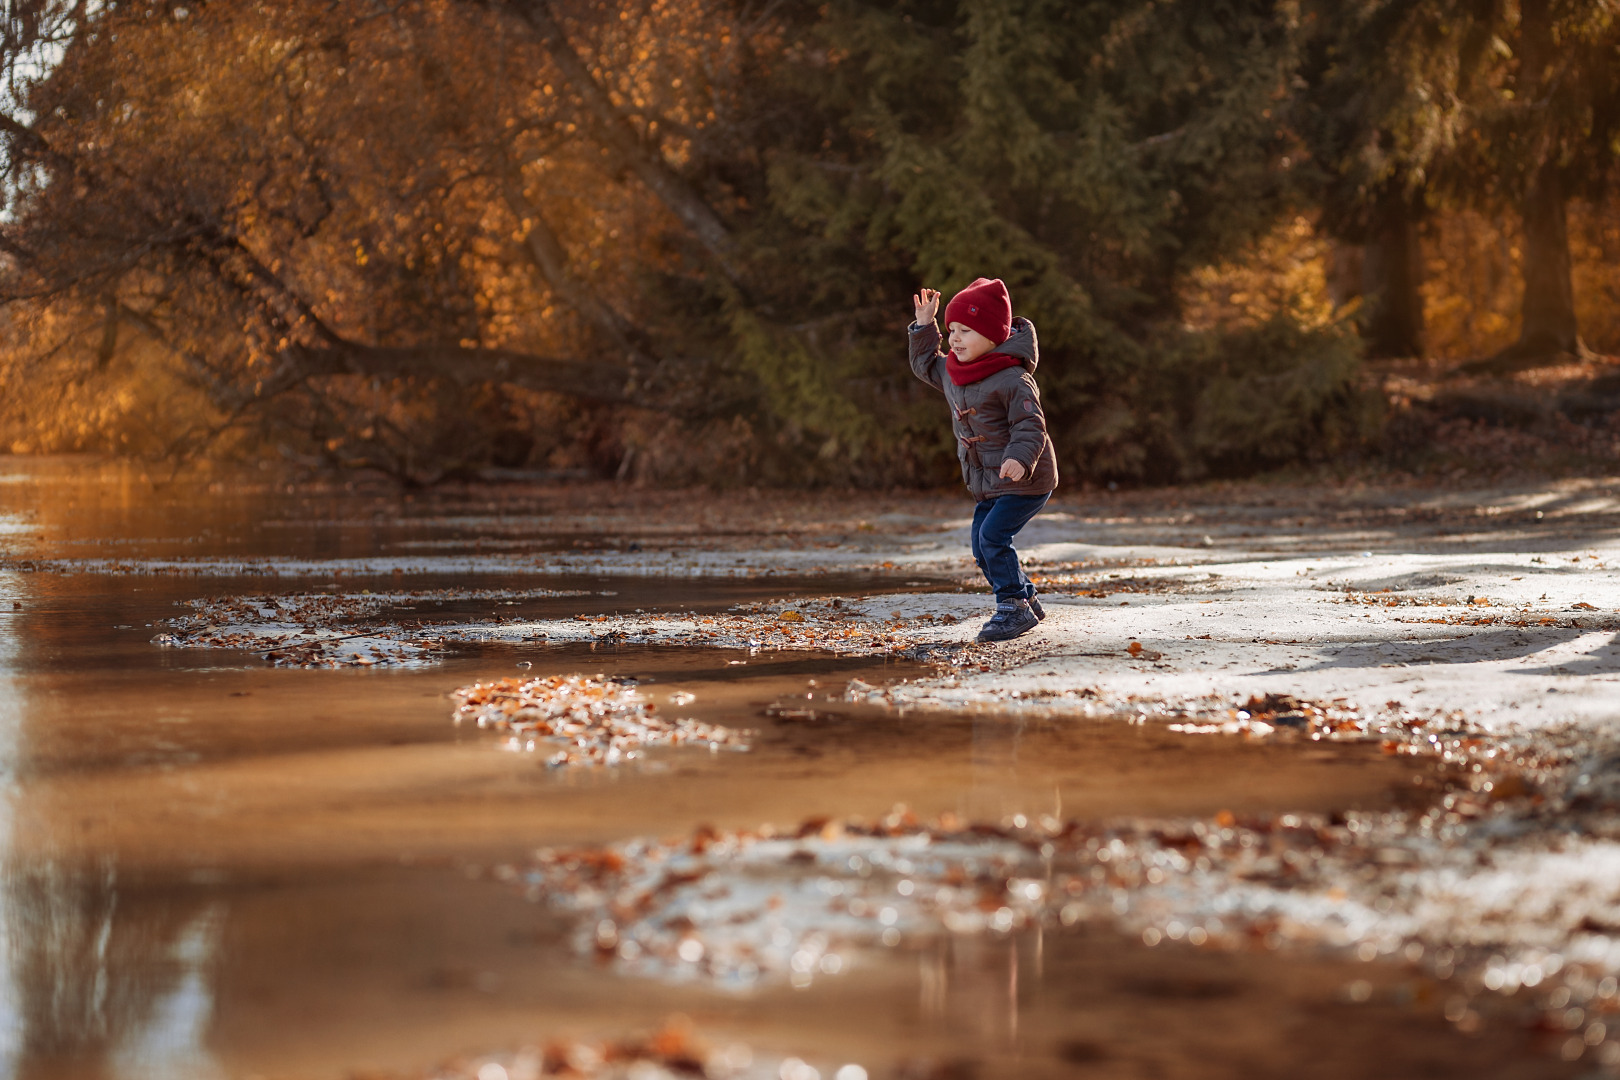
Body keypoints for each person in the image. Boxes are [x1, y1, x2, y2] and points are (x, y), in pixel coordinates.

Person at [909, 277, 1059, 643]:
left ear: (994, 335)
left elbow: (1030, 426)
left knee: (993, 537)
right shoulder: (953, 371)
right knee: (981, 545)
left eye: (967, 331)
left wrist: (1020, 460)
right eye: (953, 330)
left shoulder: (1013, 378)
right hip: (988, 482)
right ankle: (1024, 596)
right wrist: (925, 327)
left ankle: (1012, 607)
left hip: (1026, 479)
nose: (956, 338)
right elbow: (925, 363)